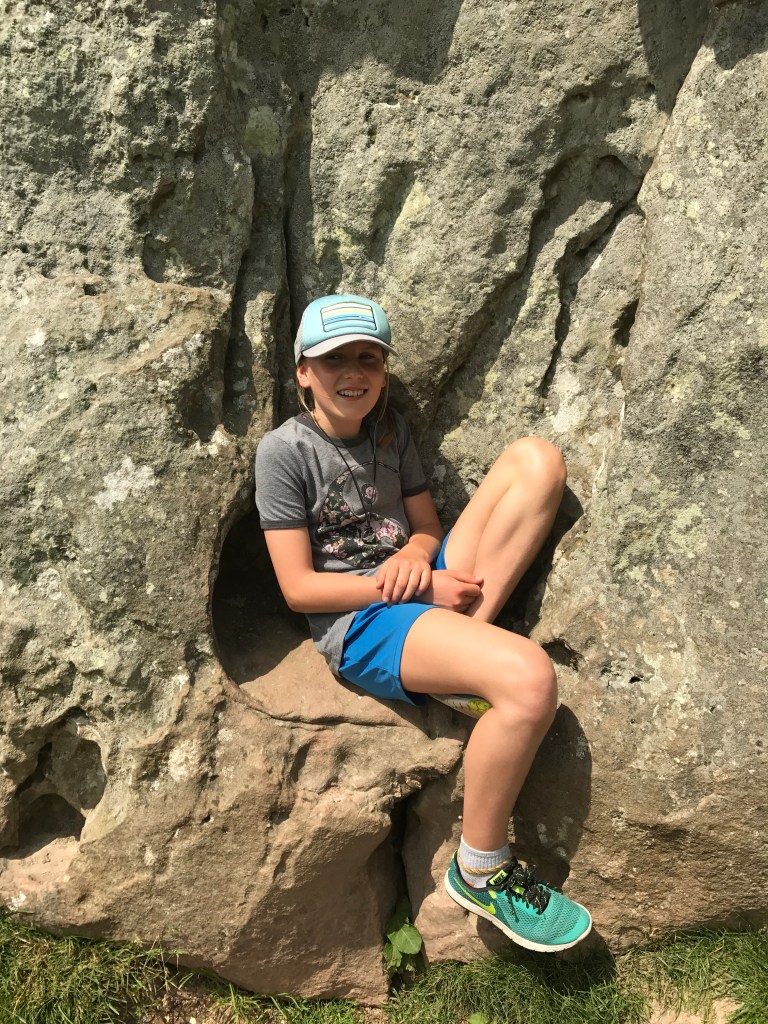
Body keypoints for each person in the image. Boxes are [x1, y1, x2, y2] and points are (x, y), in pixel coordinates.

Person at [254, 294, 592, 952]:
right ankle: (481, 869)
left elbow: (426, 527)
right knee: (529, 680)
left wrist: (416, 557)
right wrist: (411, 586)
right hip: (360, 620)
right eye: (335, 360)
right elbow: (298, 588)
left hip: (416, 583)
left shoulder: (390, 431)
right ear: (303, 372)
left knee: (536, 460)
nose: (354, 372)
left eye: (368, 358)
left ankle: (457, 670)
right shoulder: (284, 452)